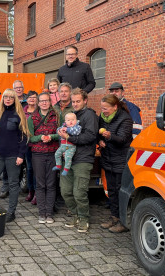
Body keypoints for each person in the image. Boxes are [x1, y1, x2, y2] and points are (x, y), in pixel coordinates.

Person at [0, 89, 29, 223]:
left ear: (15, 99)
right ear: (2, 99)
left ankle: (11, 212)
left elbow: (24, 136)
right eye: (5, 97)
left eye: (11, 97)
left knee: (13, 184)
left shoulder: (18, 115)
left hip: (13, 155)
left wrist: (21, 155)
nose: (8, 99)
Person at [59, 88, 98, 233]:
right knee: (65, 191)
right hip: (68, 159)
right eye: (73, 101)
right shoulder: (72, 116)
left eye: (78, 101)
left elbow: (90, 136)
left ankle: (84, 218)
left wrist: (70, 138)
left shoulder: (90, 116)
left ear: (85, 101)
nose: (75, 104)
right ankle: (74, 214)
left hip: (83, 159)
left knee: (79, 192)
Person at [98, 94, 133, 233]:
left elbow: (123, 139)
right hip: (108, 159)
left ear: (115, 107)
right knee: (111, 190)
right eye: (102, 108)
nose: (103, 111)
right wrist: (99, 140)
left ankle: (124, 222)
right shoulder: (103, 117)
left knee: (120, 191)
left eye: (106, 108)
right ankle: (114, 217)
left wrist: (110, 136)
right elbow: (98, 134)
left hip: (121, 160)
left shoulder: (125, 119)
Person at [27, 92, 60, 223]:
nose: (44, 103)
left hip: (52, 153)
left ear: (50, 102)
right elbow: (30, 137)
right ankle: (42, 213)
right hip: (37, 154)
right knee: (40, 184)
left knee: (51, 184)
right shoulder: (32, 118)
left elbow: (61, 133)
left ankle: (49, 213)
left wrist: (51, 137)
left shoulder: (57, 116)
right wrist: (40, 137)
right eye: (42, 101)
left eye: (46, 100)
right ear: (38, 103)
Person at [23, 90, 38, 205]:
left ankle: (37, 193)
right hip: (27, 144)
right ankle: (30, 190)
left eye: (34, 97)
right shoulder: (23, 112)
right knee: (29, 168)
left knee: (37, 169)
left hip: (38, 144)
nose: (32, 99)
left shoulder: (40, 111)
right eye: (30, 97)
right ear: (26, 99)